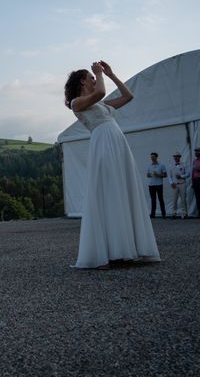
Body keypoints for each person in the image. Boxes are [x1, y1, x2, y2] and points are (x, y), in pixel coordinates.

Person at [64, 60, 160, 269]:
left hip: (117, 143)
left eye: (93, 76)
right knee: (109, 190)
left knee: (122, 189)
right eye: (90, 77)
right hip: (103, 144)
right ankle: (108, 253)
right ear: (82, 81)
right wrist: (98, 73)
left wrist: (110, 74)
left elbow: (128, 97)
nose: (94, 79)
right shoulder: (77, 102)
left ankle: (125, 249)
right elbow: (98, 93)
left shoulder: (102, 105)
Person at [168, 152, 189, 219]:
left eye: (177, 156)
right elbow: (169, 176)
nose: (176, 158)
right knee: (174, 200)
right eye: (175, 156)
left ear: (180, 157)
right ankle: (174, 213)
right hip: (175, 185)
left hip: (182, 183)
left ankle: (184, 213)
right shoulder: (171, 165)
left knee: (183, 199)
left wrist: (181, 176)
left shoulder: (184, 165)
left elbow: (188, 174)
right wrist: (171, 183)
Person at [146, 153, 167, 218]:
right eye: (151, 157)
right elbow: (147, 175)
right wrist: (149, 175)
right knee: (153, 199)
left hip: (159, 184)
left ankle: (163, 214)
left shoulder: (161, 165)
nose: (152, 158)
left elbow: (165, 175)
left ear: (156, 157)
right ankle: (153, 214)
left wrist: (158, 174)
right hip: (151, 185)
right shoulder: (149, 166)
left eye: (153, 157)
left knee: (160, 199)